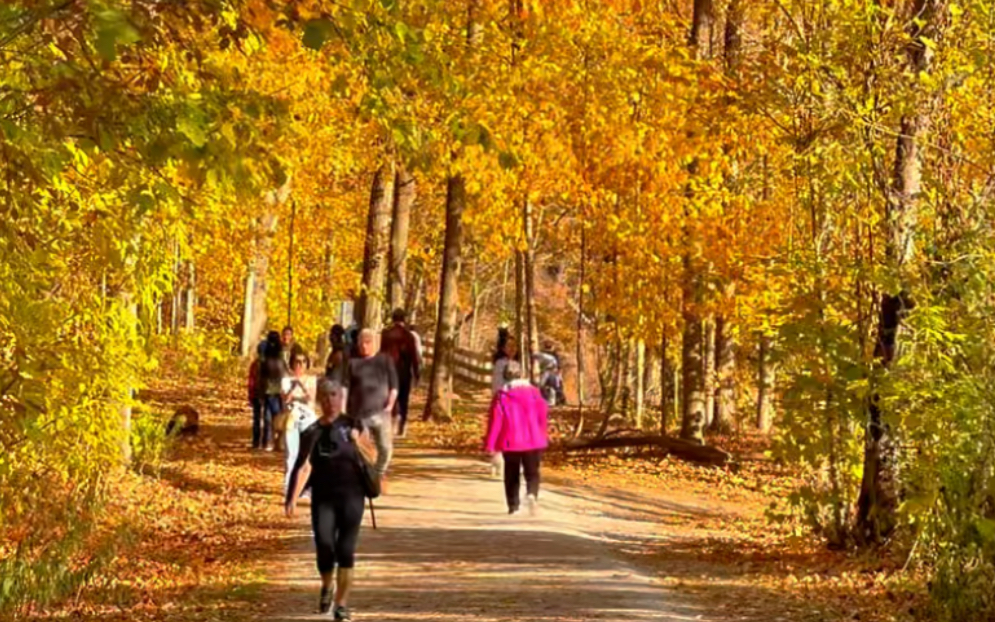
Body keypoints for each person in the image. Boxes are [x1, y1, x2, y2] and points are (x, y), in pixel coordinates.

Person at [286, 378, 374, 621]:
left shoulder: (354, 425)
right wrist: (292, 498)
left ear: (341, 397)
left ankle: (342, 605)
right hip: (323, 498)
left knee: (346, 551)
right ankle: (327, 585)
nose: (330, 400)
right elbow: (303, 467)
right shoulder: (312, 432)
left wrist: (359, 442)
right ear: (319, 401)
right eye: (325, 396)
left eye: (334, 395)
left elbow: (373, 456)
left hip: (352, 497)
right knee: (325, 548)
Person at [484, 360, 549, 515]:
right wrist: (542, 434)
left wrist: (490, 444)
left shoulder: (501, 396)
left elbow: (495, 422)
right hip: (533, 439)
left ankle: (514, 506)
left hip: (510, 440)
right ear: (522, 374)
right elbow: (542, 415)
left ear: (506, 376)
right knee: (532, 471)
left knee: (511, 473)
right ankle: (532, 494)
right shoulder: (534, 393)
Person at [345, 328, 398, 479]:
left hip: (382, 413)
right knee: (357, 445)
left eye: (368, 343)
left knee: (386, 449)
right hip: (359, 415)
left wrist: (390, 405)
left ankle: (377, 474)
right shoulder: (353, 364)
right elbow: (344, 388)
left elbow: (394, 386)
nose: (364, 346)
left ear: (374, 343)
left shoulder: (385, 360)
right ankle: (364, 476)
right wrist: (344, 410)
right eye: (361, 343)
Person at [282, 344, 318, 493]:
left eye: (303, 362)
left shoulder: (311, 379)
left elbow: (311, 398)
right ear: (292, 363)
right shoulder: (286, 380)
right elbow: (285, 400)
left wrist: (302, 385)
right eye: (297, 362)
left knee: (307, 454)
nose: (300, 365)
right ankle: (288, 486)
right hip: (292, 416)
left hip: (308, 417)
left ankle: (306, 486)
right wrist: (292, 387)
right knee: (291, 453)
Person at [379, 309, 420, 438]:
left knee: (391, 397)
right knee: (403, 398)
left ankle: (392, 422)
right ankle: (402, 424)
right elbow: (414, 355)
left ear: (393, 319)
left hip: (389, 372)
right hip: (404, 372)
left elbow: (382, 353)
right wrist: (416, 372)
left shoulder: (386, 334)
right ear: (404, 319)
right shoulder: (409, 336)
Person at [259, 331, 287, 452]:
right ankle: (272, 441)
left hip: (273, 390)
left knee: (271, 416)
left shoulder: (268, 359)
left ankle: (270, 441)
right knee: (273, 416)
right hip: (274, 390)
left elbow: (262, 376)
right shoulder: (277, 358)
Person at [248, 340, 268, 449]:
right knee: (266, 418)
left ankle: (256, 442)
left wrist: (250, 395)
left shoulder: (255, 364)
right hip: (266, 395)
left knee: (257, 418)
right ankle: (265, 442)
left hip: (256, 394)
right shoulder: (270, 363)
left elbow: (251, 382)